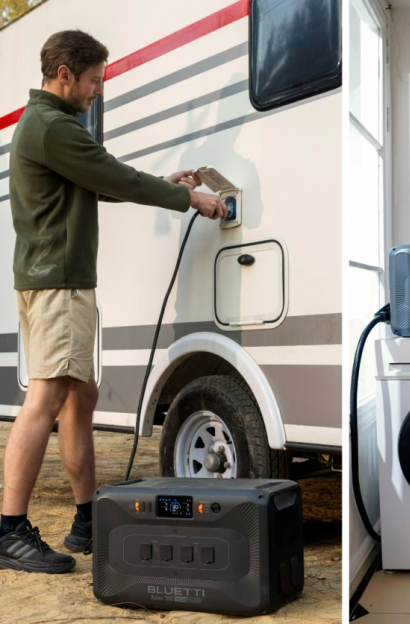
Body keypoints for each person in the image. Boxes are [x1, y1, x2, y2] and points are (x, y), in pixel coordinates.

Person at [0, 30, 226, 574]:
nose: (98, 90)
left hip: (56, 280)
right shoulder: (52, 125)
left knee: (81, 396)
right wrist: (188, 197)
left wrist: (165, 183)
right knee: (47, 395)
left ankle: (86, 521)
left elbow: (99, 180)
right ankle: (9, 531)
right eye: (94, 80)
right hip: (58, 283)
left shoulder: (51, 126)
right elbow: (111, 174)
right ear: (64, 75)